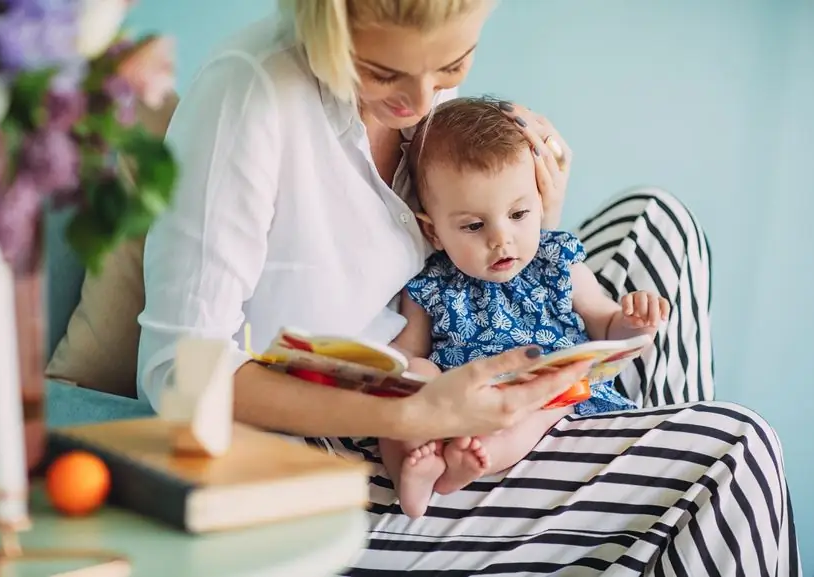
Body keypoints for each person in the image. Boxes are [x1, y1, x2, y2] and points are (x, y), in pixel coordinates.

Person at [137, 0, 801, 573]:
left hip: (451, 371)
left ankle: (639, 474)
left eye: (453, 65)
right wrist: (407, 414)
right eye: (382, 72)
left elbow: (457, 243)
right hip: (347, 444)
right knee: (734, 457)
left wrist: (530, 220)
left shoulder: (423, 108)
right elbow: (177, 375)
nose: (423, 103)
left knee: (659, 223)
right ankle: (661, 493)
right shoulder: (251, 96)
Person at [377, 96, 670, 519]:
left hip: (541, 393)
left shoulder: (558, 263)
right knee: (408, 380)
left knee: (538, 404)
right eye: (474, 226)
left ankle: (471, 462)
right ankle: (413, 474)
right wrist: (402, 375)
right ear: (433, 230)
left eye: (518, 214)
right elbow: (409, 349)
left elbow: (605, 325)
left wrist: (633, 322)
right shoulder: (429, 283)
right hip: (459, 396)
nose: (502, 239)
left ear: (540, 199)